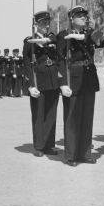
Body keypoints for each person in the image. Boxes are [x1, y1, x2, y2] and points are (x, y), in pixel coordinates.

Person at [57, 6, 100, 167]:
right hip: (72, 78)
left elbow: (101, 40)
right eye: (80, 15)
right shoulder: (63, 35)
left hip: (88, 78)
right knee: (72, 119)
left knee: (87, 118)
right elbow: (59, 60)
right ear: (71, 18)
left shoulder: (89, 34)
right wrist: (62, 83)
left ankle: (85, 153)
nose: (84, 18)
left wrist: (96, 27)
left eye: (85, 15)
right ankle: (71, 155)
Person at [23, 10, 61, 156]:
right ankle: (39, 146)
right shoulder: (29, 42)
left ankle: (49, 145)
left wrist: (48, 41)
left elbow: (57, 40)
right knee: (39, 116)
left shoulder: (52, 38)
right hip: (39, 82)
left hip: (53, 82)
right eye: (43, 23)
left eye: (47, 23)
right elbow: (27, 65)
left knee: (51, 115)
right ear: (36, 25)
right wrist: (30, 85)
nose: (46, 25)